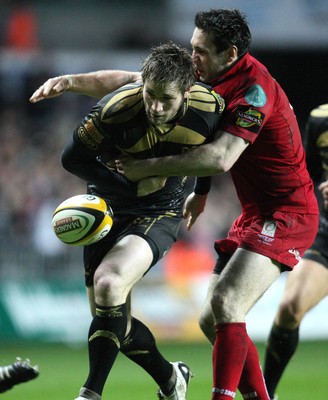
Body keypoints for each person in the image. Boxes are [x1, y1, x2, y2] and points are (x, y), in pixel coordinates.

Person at [30, 8, 319, 400]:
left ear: (229, 53)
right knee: (207, 320)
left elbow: (220, 157)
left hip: (286, 211)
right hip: (254, 212)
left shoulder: (255, 90)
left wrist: (145, 169)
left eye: (200, 50)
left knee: (225, 302)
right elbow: (133, 83)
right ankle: (243, 393)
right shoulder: (202, 77)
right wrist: (72, 82)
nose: (192, 55)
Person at [33, 41, 224, 400]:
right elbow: (71, 159)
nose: (155, 107)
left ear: (186, 91)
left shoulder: (209, 109)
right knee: (110, 317)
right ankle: (171, 377)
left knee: (108, 284)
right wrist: (127, 184)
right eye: (150, 95)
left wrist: (201, 192)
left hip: (159, 211)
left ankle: (89, 394)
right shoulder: (115, 110)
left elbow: (212, 154)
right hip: (106, 208)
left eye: (166, 99)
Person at [263, 104, 328, 400]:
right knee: (290, 306)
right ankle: (263, 394)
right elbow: (308, 177)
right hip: (326, 233)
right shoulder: (319, 119)